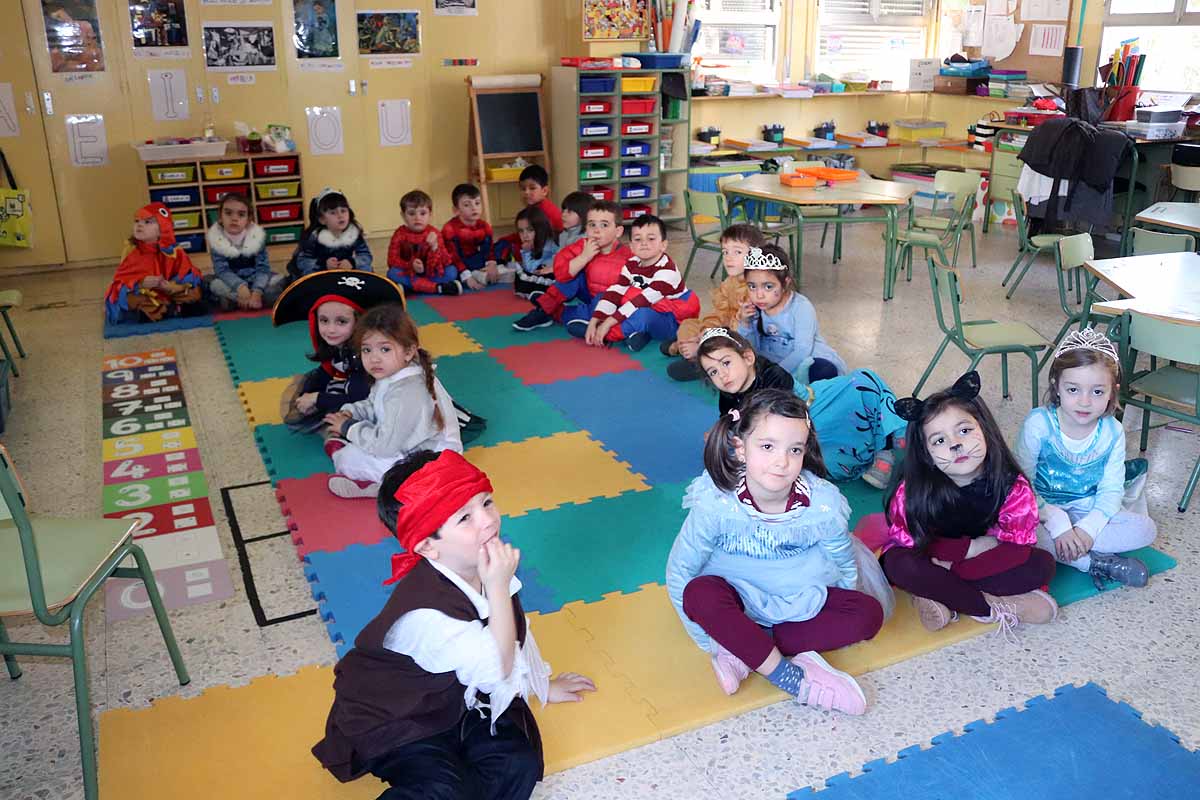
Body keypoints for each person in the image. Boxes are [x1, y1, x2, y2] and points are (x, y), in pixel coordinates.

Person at [313, 449, 596, 800]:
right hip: (399, 720)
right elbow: (496, 666)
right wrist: (496, 587)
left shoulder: (488, 564)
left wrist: (541, 685)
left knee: (518, 763)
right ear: (428, 547)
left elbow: (517, 634)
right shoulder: (425, 616)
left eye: (487, 502)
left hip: (456, 702)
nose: (488, 520)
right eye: (465, 518)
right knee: (442, 789)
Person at [665, 389, 889, 712]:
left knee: (869, 615)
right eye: (767, 446)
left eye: (794, 449)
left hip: (797, 596)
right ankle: (793, 679)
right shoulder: (716, 503)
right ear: (741, 449)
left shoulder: (821, 504)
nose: (781, 461)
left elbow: (844, 563)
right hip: (736, 598)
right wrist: (711, 640)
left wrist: (731, 640)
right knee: (698, 593)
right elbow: (679, 572)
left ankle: (745, 648)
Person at [873, 371, 1058, 635]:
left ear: (984, 428)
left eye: (964, 430)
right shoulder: (912, 491)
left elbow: (1015, 548)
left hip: (976, 559)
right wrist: (967, 549)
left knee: (1042, 564)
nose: (955, 445)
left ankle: (941, 596)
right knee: (898, 564)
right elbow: (915, 543)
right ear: (926, 454)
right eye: (939, 440)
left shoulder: (1011, 486)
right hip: (937, 556)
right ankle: (993, 607)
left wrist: (955, 569)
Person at [1015, 328, 1157, 589]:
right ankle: (1096, 564)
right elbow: (1020, 483)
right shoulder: (1039, 424)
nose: (1084, 402)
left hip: (1086, 509)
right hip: (1041, 511)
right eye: (1073, 389)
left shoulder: (1113, 431)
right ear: (1056, 386)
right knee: (1017, 534)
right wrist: (1056, 522)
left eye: (1097, 392)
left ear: (1112, 392)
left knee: (1146, 530)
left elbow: (1111, 488)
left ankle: (1073, 548)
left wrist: (1087, 529)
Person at [695, 328, 907, 483]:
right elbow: (731, 418)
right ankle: (874, 447)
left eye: (726, 363)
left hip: (815, 410)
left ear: (748, 357)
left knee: (863, 385)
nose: (722, 374)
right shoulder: (728, 393)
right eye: (713, 371)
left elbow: (783, 421)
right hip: (798, 434)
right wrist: (721, 430)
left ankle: (888, 443)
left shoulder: (772, 376)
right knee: (830, 466)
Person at [323, 304, 462, 498]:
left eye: (385, 349)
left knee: (348, 459)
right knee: (356, 449)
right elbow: (374, 404)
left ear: (408, 351)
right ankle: (368, 472)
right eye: (367, 350)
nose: (374, 358)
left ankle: (377, 486)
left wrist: (348, 428)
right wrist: (352, 413)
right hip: (410, 447)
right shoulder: (392, 371)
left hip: (437, 464)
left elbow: (385, 447)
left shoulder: (407, 391)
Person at [272, 270, 405, 434]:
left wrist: (317, 399)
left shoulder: (367, 356)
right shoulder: (340, 345)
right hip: (355, 387)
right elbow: (326, 371)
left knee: (339, 418)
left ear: (359, 322)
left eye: (341, 322)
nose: (331, 330)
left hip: (379, 399)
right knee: (311, 388)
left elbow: (360, 397)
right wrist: (308, 394)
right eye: (324, 321)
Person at [578, 214, 699, 352]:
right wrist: (595, 320)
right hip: (643, 307)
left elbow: (639, 302)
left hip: (670, 320)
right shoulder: (632, 263)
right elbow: (616, 291)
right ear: (631, 246)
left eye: (651, 239)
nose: (644, 243)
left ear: (663, 245)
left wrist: (605, 325)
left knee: (642, 315)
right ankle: (636, 335)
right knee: (603, 296)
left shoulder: (668, 272)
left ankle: (606, 335)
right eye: (638, 239)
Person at [665, 223, 766, 382]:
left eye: (737, 252)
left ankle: (697, 360)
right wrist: (703, 333)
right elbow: (719, 314)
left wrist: (705, 340)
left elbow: (742, 331)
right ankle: (689, 349)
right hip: (725, 329)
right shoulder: (729, 282)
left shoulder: (756, 288)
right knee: (689, 324)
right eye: (725, 252)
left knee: (727, 346)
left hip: (743, 338)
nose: (728, 258)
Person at [511, 200, 632, 332]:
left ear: (618, 231)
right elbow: (561, 274)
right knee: (573, 275)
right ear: (586, 228)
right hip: (588, 294)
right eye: (592, 224)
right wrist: (583, 257)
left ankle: (555, 312)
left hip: (608, 304)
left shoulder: (628, 255)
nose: (597, 230)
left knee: (602, 303)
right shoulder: (582, 245)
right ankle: (544, 308)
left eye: (604, 225)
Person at [737, 245, 845, 383]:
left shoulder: (800, 307)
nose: (759, 295)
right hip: (770, 363)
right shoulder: (754, 308)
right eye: (752, 286)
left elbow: (802, 350)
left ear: (785, 283)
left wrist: (776, 374)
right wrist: (745, 323)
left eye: (768, 286)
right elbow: (750, 348)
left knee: (823, 370)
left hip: (801, 362)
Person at [105, 203, 204, 324]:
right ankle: (160, 311)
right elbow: (119, 283)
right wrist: (140, 284)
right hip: (147, 294)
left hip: (170, 290)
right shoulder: (131, 251)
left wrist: (174, 286)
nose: (139, 225)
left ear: (162, 228)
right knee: (131, 299)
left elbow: (189, 274)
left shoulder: (174, 251)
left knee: (195, 291)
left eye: (147, 222)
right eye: (137, 221)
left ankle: (178, 307)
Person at [204, 192, 284, 311]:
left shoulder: (256, 238)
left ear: (248, 219)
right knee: (210, 283)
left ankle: (242, 300)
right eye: (228, 213)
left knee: (280, 281)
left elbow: (263, 269)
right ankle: (245, 300)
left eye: (241, 215)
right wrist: (240, 287)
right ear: (220, 217)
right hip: (231, 283)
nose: (234, 218)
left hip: (255, 279)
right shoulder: (217, 240)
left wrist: (257, 291)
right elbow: (222, 270)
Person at [286, 188, 373, 280]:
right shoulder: (314, 237)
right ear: (322, 219)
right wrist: (323, 264)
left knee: (368, 273)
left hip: (344, 273)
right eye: (333, 213)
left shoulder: (353, 233)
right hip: (320, 275)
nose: (340, 216)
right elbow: (303, 261)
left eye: (343, 211)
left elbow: (365, 255)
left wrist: (352, 262)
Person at [388, 190, 460, 295]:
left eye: (423, 213)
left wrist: (435, 247)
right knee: (392, 273)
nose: (417, 218)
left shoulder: (435, 233)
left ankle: (412, 288)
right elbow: (392, 261)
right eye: (411, 213)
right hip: (410, 272)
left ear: (430, 215)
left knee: (452, 271)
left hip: (430, 273)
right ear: (403, 215)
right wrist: (410, 265)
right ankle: (438, 288)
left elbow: (446, 261)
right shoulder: (399, 234)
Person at [493, 165, 562, 264]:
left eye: (532, 188)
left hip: (546, 252)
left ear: (545, 191)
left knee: (505, 249)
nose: (526, 192)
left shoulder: (545, 211)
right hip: (538, 244)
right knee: (502, 244)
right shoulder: (534, 207)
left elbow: (538, 241)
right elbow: (524, 233)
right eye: (523, 188)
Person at [442, 183, 499, 291]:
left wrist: (491, 263)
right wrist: (466, 276)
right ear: (456, 210)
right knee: (450, 272)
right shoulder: (449, 229)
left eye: (477, 203)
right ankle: (467, 276)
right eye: (467, 205)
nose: (474, 208)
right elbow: (452, 256)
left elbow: (489, 250)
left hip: (476, 260)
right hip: (456, 262)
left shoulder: (485, 226)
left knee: (501, 250)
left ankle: (480, 272)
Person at [511, 206, 559, 300]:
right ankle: (531, 291)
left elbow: (531, 269)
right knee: (519, 273)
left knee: (529, 273)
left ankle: (537, 292)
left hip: (554, 277)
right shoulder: (535, 244)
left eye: (530, 230)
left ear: (541, 228)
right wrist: (527, 252)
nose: (525, 235)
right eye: (521, 231)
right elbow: (528, 269)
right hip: (539, 274)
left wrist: (526, 252)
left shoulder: (548, 244)